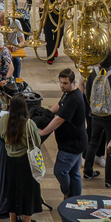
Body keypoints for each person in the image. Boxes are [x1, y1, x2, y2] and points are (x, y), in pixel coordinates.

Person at [0, 94, 42, 222]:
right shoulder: (29, 124)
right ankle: (27, 221)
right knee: (28, 190)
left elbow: (0, 134)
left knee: (11, 188)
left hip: (10, 159)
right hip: (26, 161)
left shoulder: (4, 119)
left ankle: (12, 219)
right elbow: (37, 142)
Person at [38, 67, 88, 202]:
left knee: (60, 171)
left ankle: (68, 194)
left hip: (71, 145)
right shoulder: (69, 93)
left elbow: (59, 120)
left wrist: (43, 131)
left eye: (65, 83)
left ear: (73, 83)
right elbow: (60, 105)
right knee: (74, 173)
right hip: (77, 141)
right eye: (60, 82)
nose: (61, 85)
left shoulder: (74, 99)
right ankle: (76, 200)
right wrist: (47, 113)